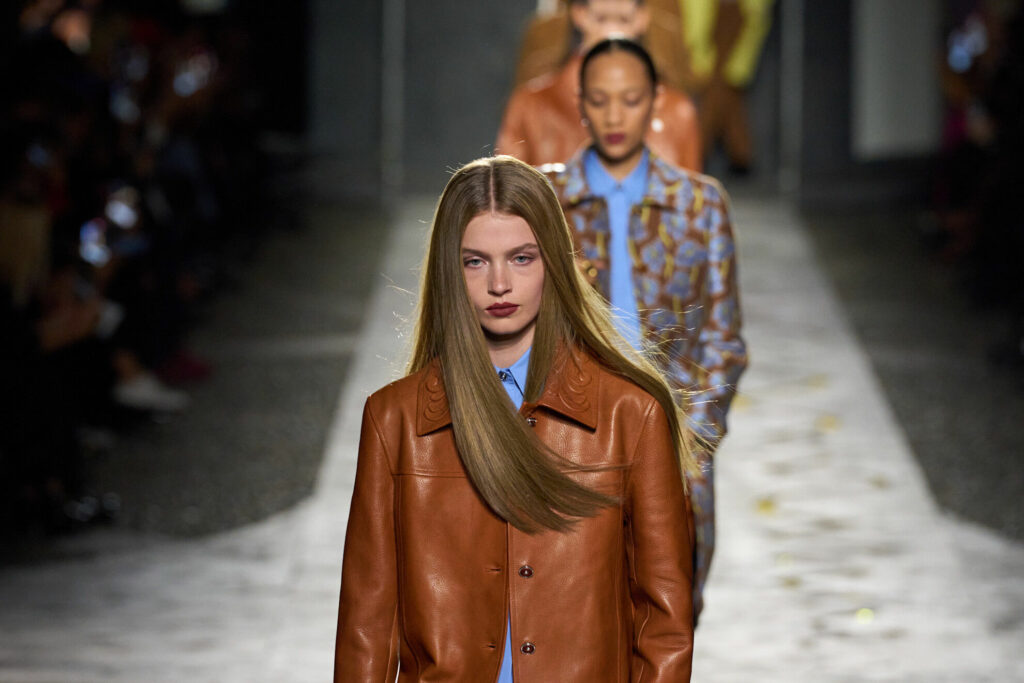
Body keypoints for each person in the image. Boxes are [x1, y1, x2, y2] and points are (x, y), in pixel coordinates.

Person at [334, 155, 696, 681]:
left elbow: (665, 624)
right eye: (474, 262)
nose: (499, 283)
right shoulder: (395, 421)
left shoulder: (630, 415)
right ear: (448, 271)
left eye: (522, 258)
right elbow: (366, 626)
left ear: (553, 262)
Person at [544, 37, 748, 621]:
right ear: (580, 103)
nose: (614, 116)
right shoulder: (546, 202)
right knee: (569, 622)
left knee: (667, 618)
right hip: (568, 443)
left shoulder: (700, 205)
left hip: (677, 438)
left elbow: (723, 341)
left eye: (630, 100)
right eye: (599, 100)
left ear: (656, 101)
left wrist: (687, 443)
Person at [496, 0, 702, 171]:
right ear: (579, 14)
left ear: (642, 18)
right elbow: (507, 195)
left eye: (623, 19)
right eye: (601, 19)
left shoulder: (676, 110)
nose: (612, 32)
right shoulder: (530, 105)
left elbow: (690, 199)